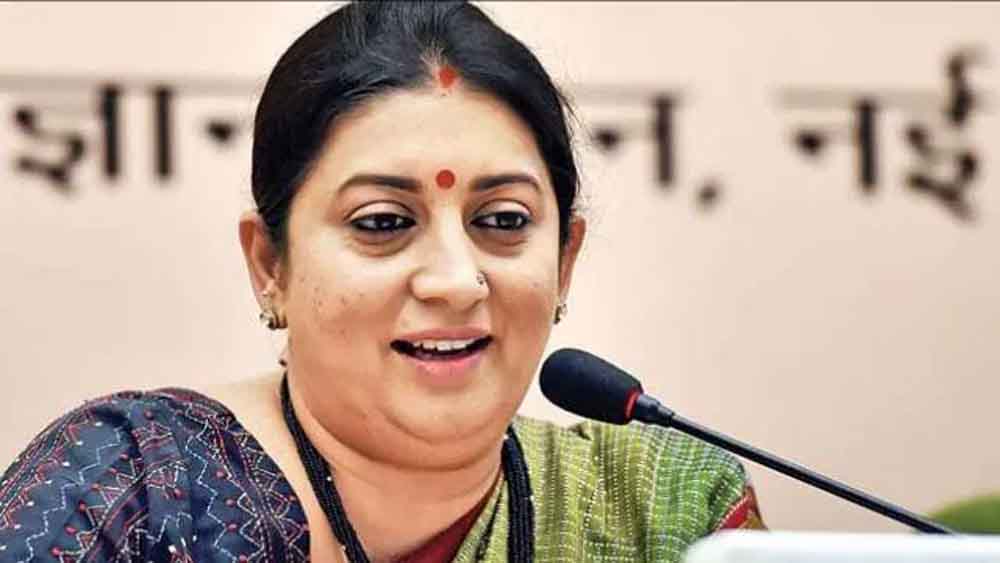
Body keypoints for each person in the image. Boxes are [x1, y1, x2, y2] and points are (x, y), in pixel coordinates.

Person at [0, 2, 765, 561]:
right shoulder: (135, 490)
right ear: (270, 264)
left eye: (502, 220)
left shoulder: (661, 513)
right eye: (383, 221)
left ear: (564, 260)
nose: (455, 280)